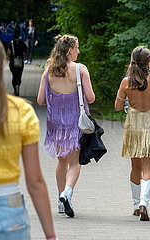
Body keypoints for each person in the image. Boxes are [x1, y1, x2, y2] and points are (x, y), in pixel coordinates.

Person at [0, 34, 58, 240]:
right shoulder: (22, 112)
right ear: (2, 63)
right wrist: (50, 235)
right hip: (8, 210)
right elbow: (35, 181)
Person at [37, 34, 95, 218]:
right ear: (70, 50)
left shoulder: (49, 71)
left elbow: (40, 100)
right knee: (75, 163)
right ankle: (67, 193)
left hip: (57, 123)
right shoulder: (80, 69)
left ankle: (60, 201)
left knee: (61, 161)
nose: (78, 51)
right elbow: (91, 97)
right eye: (77, 47)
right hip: (75, 123)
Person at [115, 46, 150, 221]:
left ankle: (135, 205)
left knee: (135, 167)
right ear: (149, 62)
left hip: (133, 125)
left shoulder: (126, 82)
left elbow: (118, 107)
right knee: (149, 167)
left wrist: (126, 99)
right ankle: (144, 203)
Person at [7, 28, 28, 96]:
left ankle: (15, 87)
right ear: (19, 35)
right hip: (20, 62)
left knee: (14, 75)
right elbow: (25, 52)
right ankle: (18, 85)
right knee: (19, 75)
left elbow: (9, 52)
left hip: (13, 62)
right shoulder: (22, 43)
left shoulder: (11, 43)